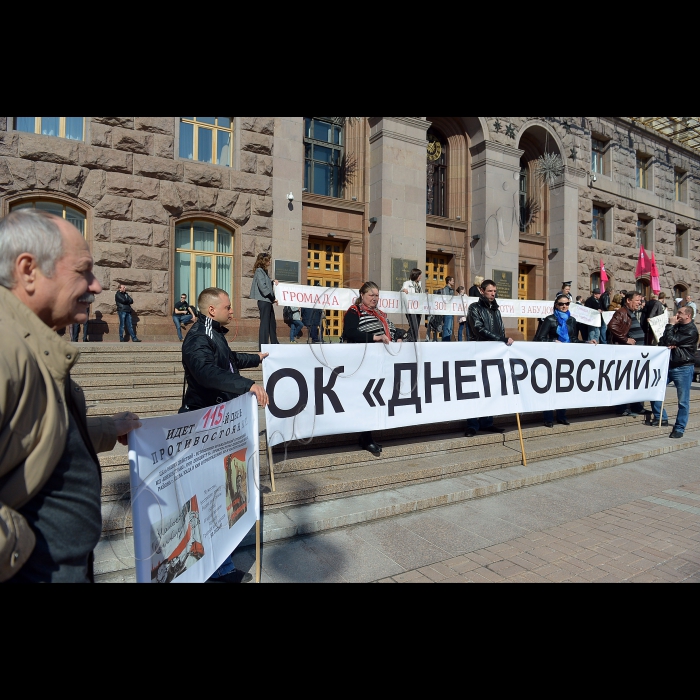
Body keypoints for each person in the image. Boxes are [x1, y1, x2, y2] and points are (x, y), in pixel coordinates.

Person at [0, 209, 142, 583]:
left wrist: (110, 428)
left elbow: (45, 431)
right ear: (28, 270)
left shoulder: (32, 339)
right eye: (83, 271)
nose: (96, 286)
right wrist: (26, 554)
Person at [181, 287, 269, 584]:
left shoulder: (213, 332)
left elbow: (227, 359)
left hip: (219, 427)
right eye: (228, 307)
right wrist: (247, 386)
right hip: (202, 427)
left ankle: (222, 566)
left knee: (226, 493)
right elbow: (207, 372)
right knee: (212, 498)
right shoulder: (197, 338)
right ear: (211, 310)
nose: (232, 311)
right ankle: (219, 570)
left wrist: (255, 357)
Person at [343, 282, 404, 455]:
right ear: (362, 295)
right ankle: (366, 436)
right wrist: (374, 338)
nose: (375, 299)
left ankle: (368, 434)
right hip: (363, 362)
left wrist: (399, 335)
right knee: (368, 397)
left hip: (382, 363)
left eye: (377, 295)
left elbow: (390, 329)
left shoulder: (380, 314)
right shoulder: (355, 311)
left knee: (378, 397)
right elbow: (350, 332)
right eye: (371, 295)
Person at [534, 294, 596, 428]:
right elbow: (539, 338)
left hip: (567, 359)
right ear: (556, 305)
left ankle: (562, 415)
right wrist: (552, 341)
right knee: (550, 388)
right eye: (561, 304)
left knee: (564, 388)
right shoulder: (550, 319)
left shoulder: (571, 320)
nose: (564, 306)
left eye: (567, 304)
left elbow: (573, 339)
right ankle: (548, 417)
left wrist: (586, 342)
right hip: (551, 358)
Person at [465, 280, 514, 438]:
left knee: (491, 388)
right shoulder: (474, 308)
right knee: (475, 390)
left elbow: (500, 328)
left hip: (494, 354)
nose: (493, 294)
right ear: (481, 291)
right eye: (490, 291)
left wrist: (502, 342)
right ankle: (472, 424)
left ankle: (487, 421)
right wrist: (500, 339)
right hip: (478, 352)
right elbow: (478, 329)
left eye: (494, 291)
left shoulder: (496, 309)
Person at [649, 307, 699, 439]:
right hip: (668, 366)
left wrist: (670, 326)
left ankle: (679, 427)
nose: (677, 315)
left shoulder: (691, 330)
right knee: (654, 390)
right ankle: (661, 417)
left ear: (688, 316)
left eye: (680, 313)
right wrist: (671, 337)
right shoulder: (676, 327)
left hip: (683, 368)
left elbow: (671, 340)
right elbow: (663, 341)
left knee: (683, 401)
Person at [608, 291, 646, 417]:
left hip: (636, 354)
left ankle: (636, 406)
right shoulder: (622, 312)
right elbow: (612, 326)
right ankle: (622, 407)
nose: (639, 303)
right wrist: (625, 340)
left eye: (640, 301)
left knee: (635, 381)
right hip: (626, 354)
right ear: (628, 300)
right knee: (624, 381)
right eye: (637, 300)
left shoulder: (632, 313)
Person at [250, 253, 279, 350]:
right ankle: (263, 346)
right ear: (264, 261)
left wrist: (272, 282)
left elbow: (266, 284)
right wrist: (272, 298)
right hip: (264, 301)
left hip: (267, 301)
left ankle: (275, 344)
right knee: (265, 325)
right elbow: (263, 287)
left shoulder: (263, 271)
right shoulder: (259, 271)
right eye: (268, 260)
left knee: (272, 323)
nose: (270, 262)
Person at [402, 268, 424, 342]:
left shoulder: (419, 284)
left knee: (416, 327)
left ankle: (410, 339)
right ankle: (411, 341)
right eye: (419, 275)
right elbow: (401, 291)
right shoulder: (407, 283)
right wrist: (403, 290)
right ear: (416, 275)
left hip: (418, 309)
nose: (420, 276)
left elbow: (420, 295)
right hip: (410, 309)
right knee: (413, 326)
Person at [441, 276, 456, 341]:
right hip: (447, 311)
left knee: (450, 327)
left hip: (451, 310)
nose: (453, 282)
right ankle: (445, 341)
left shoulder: (451, 289)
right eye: (452, 280)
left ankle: (448, 340)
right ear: (449, 281)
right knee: (447, 326)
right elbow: (445, 299)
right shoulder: (445, 289)